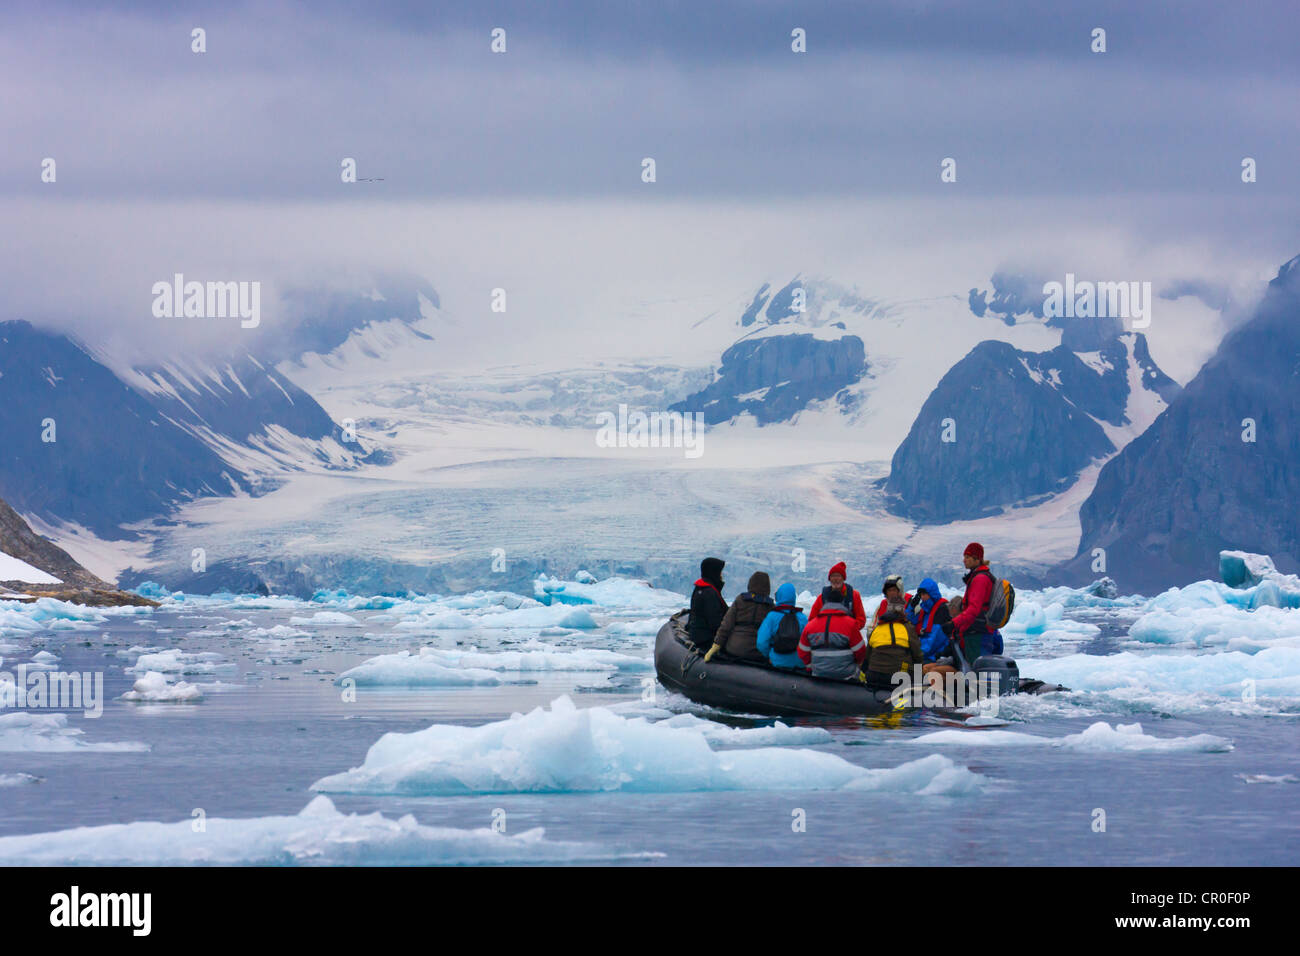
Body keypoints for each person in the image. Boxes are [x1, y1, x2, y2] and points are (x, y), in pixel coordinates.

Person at [950, 543, 1005, 660]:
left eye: (967, 557)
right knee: (979, 669)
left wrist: (953, 623)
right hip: (979, 632)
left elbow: (974, 609)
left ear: (977, 559)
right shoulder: (981, 576)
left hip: (977, 633)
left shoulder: (980, 579)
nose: (964, 560)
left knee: (977, 669)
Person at [861, 585, 922, 691]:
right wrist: (919, 679)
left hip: (874, 676)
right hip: (898, 677)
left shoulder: (877, 629)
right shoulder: (907, 628)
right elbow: (917, 656)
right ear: (902, 610)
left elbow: (867, 657)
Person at [705, 572, 773, 663]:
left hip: (735, 648)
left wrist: (716, 645)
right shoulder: (770, 606)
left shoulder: (741, 600)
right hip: (757, 653)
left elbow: (726, 625)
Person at [797, 591, 867, 681]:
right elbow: (860, 651)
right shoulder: (851, 624)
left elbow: (802, 651)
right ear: (842, 603)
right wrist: (855, 664)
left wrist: (811, 666)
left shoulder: (811, 625)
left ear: (825, 602)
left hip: (818, 674)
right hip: (846, 676)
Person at [755, 582, 808, 671]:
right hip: (798, 665)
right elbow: (808, 642)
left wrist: (769, 655)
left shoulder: (772, 616)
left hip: (776, 663)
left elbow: (761, 642)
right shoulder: (802, 618)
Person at [808, 561, 867, 630]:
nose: (835, 579)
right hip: (827, 634)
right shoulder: (822, 598)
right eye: (833, 576)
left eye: (838, 576)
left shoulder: (854, 595)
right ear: (829, 579)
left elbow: (861, 619)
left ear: (843, 578)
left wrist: (849, 629)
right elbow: (812, 619)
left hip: (847, 634)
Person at [687, 557, 727, 652]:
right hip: (705, 639)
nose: (721, 575)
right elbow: (715, 622)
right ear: (714, 572)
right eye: (720, 572)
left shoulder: (700, 588)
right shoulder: (709, 593)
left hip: (697, 634)